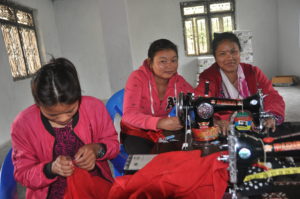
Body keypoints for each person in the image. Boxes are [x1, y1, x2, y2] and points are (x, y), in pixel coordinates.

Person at [11, 58, 119, 199]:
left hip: (94, 186)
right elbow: (22, 173)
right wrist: (51, 169)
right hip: (50, 193)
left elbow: (114, 145)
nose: (64, 119)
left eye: (70, 110)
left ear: (78, 96)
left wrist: (96, 149)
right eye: (52, 115)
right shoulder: (23, 125)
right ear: (38, 104)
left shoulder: (95, 108)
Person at [195, 32, 285, 135]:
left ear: (239, 52)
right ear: (215, 57)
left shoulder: (253, 72)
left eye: (234, 52)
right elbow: (202, 104)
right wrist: (215, 121)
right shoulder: (208, 77)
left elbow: (272, 96)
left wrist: (271, 115)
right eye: (222, 54)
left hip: (254, 128)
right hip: (227, 131)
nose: (230, 58)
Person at [121, 39, 194, 154]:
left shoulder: (178, 82)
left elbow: (198, 99)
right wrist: (159, 122)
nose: (169, 66)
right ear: (150, 62)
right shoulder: (137, 78)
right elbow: (128, 114)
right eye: (163, 61)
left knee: (183, 156)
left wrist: (216, 118)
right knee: (146, 164)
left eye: (174, 60)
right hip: (137, 132)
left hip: (164, 132)